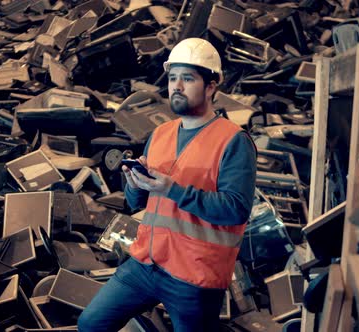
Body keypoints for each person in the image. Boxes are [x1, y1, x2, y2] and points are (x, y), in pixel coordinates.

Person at [78, 38, 257, 332]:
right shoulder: (160, 133)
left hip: (194, 276)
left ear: (211, 86)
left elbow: (236, 209)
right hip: (145, 262)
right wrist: (136, 183)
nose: (177, 86)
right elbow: (140, 203)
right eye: (173, 78)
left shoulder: (233, 141)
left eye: (187, 78)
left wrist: (170, 188)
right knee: (91, 323)